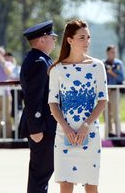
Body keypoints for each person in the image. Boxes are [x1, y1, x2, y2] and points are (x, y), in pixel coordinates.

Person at [48, 20, 108, 193]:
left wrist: (86, 125)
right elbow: (53, 103)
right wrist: (66, 128)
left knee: (91, 186)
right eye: (82, 37)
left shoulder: (97, 66)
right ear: (69, 40)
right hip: (63, 134)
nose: (87, 41)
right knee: (65, 186)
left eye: (88, 37)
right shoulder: (57, 69)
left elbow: (102, 100)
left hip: (89, 134)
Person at [19, 21, 57, 193]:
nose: (55, 40)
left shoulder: (38, 59)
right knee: (40, 175)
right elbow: (33, 98)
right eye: (51, 37)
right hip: (41, 128)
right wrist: (36, 129)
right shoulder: (39, 62)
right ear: (42, 40)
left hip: (42, 126)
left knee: (41, 174)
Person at [104, 45, 125, 137]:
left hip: (114, 91)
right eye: (112, 52)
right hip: (105, 92)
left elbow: (122, 78)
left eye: (115, 52)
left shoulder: (118, 64)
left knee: (116, 113)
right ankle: (109, 134)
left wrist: (111, 72)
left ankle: (118, 134)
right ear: (108, 53)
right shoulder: (103, 64)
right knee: (106, 114)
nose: (114, 54)